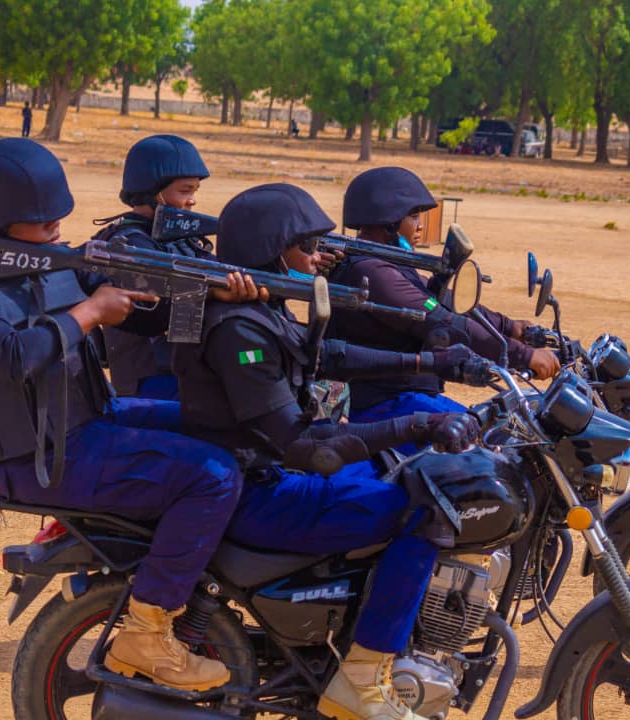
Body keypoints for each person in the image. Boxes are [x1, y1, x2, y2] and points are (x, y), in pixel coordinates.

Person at [0, 137, 243, 691]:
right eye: (44, 223)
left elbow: (142, 318)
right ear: (4, 221)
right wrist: (90, 311)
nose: (57, 231)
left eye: (57, 220)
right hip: (37, 458)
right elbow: (12, 355)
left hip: (89, 424)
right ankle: (148, 628)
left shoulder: (55, 267)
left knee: (224, 430)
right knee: (210, 476)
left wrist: (215, 294)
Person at [171, 183, 484, 720]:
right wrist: (419, 423)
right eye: (307, 248)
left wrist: (431, 366)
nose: (320, 258)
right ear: (274, 252)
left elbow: (329, 355)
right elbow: (302, 446)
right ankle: (362, 678)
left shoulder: (261, 312)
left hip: (262, 478)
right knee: (425, 508)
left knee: (393, 473)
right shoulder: (239, 330)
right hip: (263, 494)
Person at [327, 167, 560, 427]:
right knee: (480, 446)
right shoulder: (369, 271)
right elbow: (441, 321)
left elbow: (447, 303)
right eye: (413, 216)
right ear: (389, 221)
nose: (421, 225)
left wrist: (513, 328)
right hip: (383, 405)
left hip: (405, 397)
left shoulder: (391, 264)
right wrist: (524, 356)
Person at [94, 134, 264, 400]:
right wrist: (211, 292)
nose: (192, 200)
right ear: (153, 192)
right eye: (185, 191)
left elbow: (219, 269)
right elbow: (153, 303)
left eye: (195, 191)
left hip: (184, 369)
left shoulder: (181, 239)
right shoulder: (129, 244)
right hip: (149, 380)